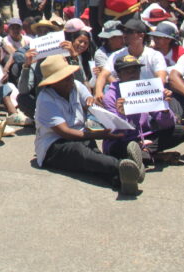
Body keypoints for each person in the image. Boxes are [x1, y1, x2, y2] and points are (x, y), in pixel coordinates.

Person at [34, 55, 144, 195]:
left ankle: (122, 179)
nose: (70, 80)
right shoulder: (45, 100)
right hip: (54, 146)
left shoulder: (76, 86)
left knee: (93, 162)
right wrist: (99, 134)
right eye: (65, 78)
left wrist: (92, 101)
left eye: (70, 75)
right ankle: (122, 166)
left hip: (82, 136)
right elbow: (65, 132)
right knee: (80, 152)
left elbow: (89, 101)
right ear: (54, 82)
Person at [102, 54, 184, 164]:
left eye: (135, 71)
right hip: (122, 140)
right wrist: (122, 115)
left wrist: (164, 109)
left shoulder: (146, 88)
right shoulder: (111, 96)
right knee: (116, 149)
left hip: (144, 137)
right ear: (119, 74)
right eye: (127, 71)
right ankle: (152, 156)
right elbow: (115, 132)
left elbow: (168, 124)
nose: (132, 75)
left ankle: (145, 153)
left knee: (181, 131)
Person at [94, 19, 167, 101]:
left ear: (141, 35)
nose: (124, 35)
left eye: (128, 32)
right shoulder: (116, 55)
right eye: (123, 32)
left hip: (149, 97)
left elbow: (161, 79)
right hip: (124, 98)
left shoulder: (155, 55)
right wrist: (98, 92)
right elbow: (103, 75)